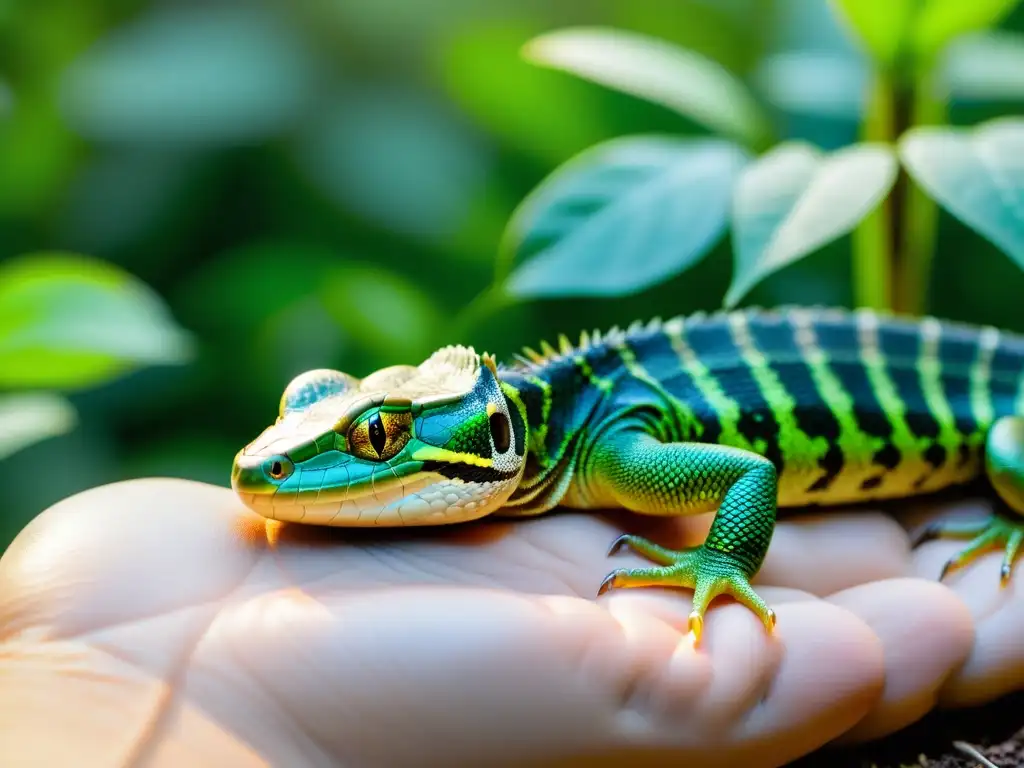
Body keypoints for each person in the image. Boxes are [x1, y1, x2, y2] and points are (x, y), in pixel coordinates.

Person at [0, 478, 1019, 767]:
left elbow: (745, 476)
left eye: (383, 440)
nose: (259, 475)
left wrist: (720, 560)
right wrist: (89, 671)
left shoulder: (618, 460)